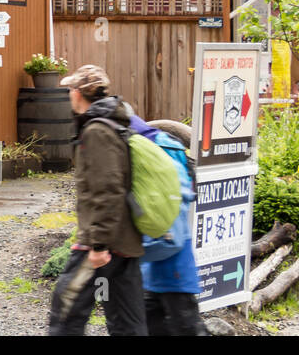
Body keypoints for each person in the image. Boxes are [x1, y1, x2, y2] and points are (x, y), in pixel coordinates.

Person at [48, 64, 147, 336]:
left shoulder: (97, 132)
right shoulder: (115, 124)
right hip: (125, 242)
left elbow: (107, 189)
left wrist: (99, 244)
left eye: (71, 89)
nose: (69, 94)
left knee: (66, 309)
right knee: (128, 323)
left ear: (79, 93)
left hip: (102, 244)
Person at [129, 113, 207, 336]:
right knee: (164, 319)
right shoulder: (164, 146)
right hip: (168, 246)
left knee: (184, 323)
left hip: (163, 249)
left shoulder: (137, 145)